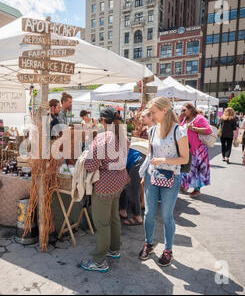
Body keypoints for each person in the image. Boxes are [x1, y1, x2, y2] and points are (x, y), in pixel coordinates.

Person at [138, 97, 189, 267]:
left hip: (172, 177)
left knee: (167, 216)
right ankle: (149, 243)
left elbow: (185, 159)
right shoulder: (152, 130)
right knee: (149, 213)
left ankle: (168, 250)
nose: (151, 115)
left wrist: (163, 160)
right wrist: (145, 173)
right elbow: (149, 155)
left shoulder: (178, 131)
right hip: (153, 175)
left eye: (153, 112)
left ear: (164, 110)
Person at [80, 107, 130, 273]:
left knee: (102, 223)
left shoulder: (103, 138)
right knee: (114, 218)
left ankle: (100, 261)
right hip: (119, 182)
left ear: (102, 120)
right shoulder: (122, 136)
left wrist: (91, 158)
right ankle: (114, 250)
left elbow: (90, 165)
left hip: (105, 185)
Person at [119, 109, 154, 225]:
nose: (141, 119)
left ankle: (137, 217)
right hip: (137, 159)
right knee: (127, 187)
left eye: (143, 117)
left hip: (139, 161)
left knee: (133, 190)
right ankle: (123, 210)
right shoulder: (146, 129)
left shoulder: (151, 130)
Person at [179, 103, 211, 197]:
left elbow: (208, 130)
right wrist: (180, 118)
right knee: (187, 168)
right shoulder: (185, 118)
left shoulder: (199, 118)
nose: (183, 112)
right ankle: (184, 185)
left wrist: (193, 128)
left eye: (184, 110)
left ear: (190, 109)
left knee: (197, 170)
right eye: (182, 110)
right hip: (187, 148)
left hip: (198, 149)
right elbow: (178, 129)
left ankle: (197, 189)